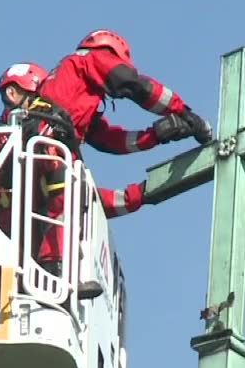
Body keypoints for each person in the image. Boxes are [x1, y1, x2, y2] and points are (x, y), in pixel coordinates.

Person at [0, 61, 194, 291]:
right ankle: (54, 268)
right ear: (12, 93)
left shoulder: (49, 156)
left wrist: (143, 189)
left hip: (28, 271)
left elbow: (87, 200)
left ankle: (56, 270)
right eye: (38, 103)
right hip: (10, 261)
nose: (46, 110)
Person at [19, 30, 212, 276]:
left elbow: (110, 140)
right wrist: (183, 111)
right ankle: (54, 268)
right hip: (47, 140)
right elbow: (134, 85)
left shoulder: (75, 98)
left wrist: (154, 136)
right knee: (69, 196)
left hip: (48, 142)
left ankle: (55, 268)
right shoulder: (90, 59)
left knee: (79, 198)